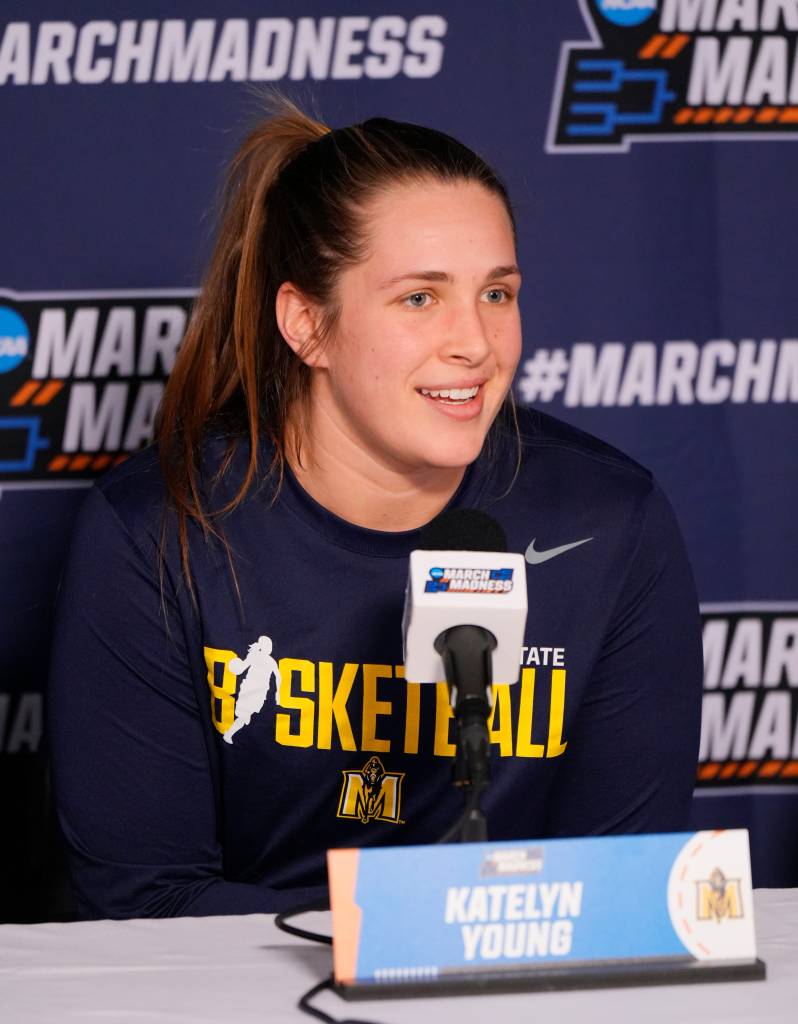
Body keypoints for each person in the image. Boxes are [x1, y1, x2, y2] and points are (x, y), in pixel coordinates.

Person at [47, 101, 703, 920]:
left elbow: (619, 899)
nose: (476, 342)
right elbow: (142, 903)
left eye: (496, 293)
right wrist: (393, 943)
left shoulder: (611, 521)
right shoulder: (158, 530)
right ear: (307, 324)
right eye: (420, 299)